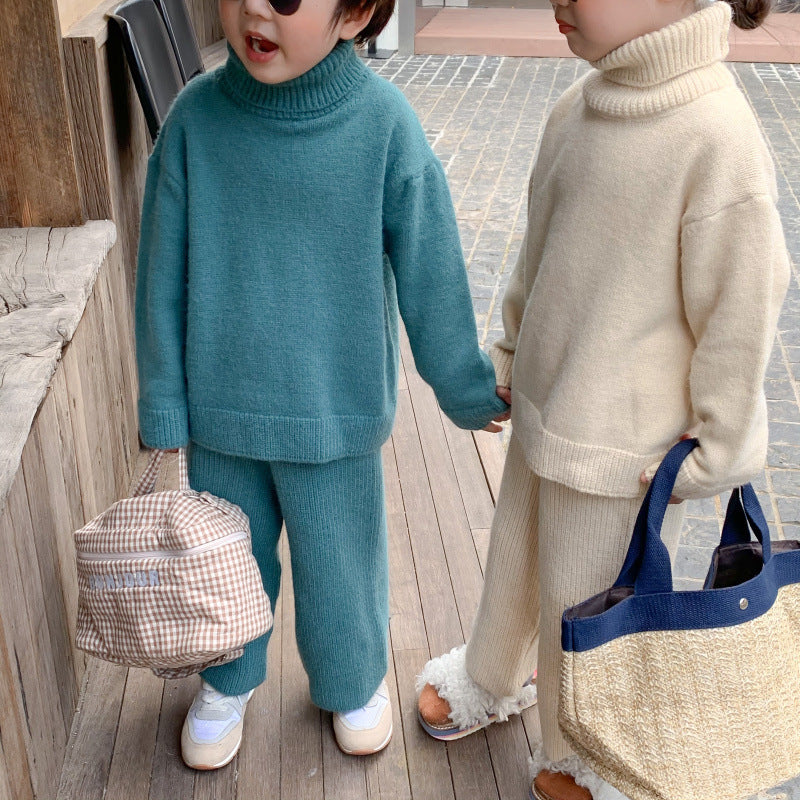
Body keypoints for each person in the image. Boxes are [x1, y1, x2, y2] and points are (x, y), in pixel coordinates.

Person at [415, 0, 790, 798]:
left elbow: (741, 305)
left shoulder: (716, 135)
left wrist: (723, 439)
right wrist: (512, 344)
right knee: (513, 562)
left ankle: (582, 749)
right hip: (546, 407)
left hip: (625, 449)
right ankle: (491, 673)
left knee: (582, 605)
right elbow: (538, 250)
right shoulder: (575, 108)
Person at [134, 0, 510, 770]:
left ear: (358, 10)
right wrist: (163, 401)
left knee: (343, 572)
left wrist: (464, 387)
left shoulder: (382, 125)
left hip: (337, 413)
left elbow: (431, 273)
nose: (254, 9)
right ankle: (227, 683)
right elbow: (159, 275)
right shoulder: (195, 121)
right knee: (227, 568)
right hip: (220, 415)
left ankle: (351, 681)